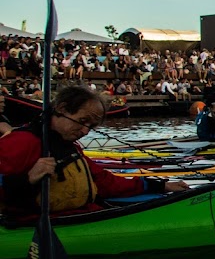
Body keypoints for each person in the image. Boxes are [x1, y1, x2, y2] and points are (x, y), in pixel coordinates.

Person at [0, 85, 188, 219]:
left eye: (91, 126)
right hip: (41, 225)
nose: (84, 131)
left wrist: (159, 186)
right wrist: (26, 179)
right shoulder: (22, 142)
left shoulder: (67, 146)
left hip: (81, 214)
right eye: (82, 121)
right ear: (62, 109)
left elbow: (104, 182)